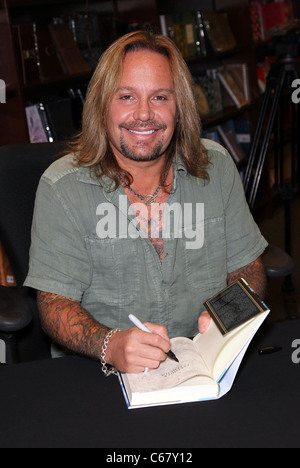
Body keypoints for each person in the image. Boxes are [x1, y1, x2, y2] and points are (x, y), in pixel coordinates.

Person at [24, 31, 268, 375]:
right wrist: (110, 344)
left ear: (179, 106)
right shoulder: (61, 187)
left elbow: (249, 269)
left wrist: (226, 316)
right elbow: (52, 303)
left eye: (160, 97)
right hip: (99, 375)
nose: (143, 114)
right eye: (126, 96)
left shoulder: (217, 167)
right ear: (101, 106)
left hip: (202, 368)